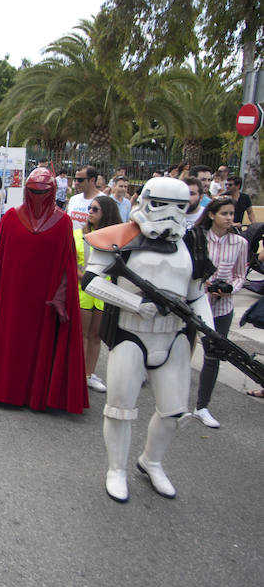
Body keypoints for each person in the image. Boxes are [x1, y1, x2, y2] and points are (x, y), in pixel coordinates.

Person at [82, 176, 214, 502]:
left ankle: (151, 461)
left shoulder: (191, 242)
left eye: (179, 206)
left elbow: (197, 294)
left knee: (173, 412)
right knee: (119, 409)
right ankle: (117, 469)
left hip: (174, 338)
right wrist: (136, 304)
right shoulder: (121, 237)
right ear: (146, 202)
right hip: (131, 333)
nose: (170, 213)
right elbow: (91, 282)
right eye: (161, 205)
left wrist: (209, 332)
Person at [0, 167, 88, 414]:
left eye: (42, 192)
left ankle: (34, 393)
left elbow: (67, 264)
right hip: (10, 298)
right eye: (33, 191)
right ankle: (2, 389)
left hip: (43, 301)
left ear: (53, 191)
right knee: (8, 340)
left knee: (35, 345)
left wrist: (61, 296)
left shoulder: (62, 222)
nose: (37, 196)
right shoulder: (12, 217)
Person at [192, 198, 247, 428]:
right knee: (183, 346)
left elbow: (241, 274)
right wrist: (204, 284)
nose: (228, 217)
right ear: (212, 215)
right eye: (224, 213)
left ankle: (202, 406)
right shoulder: (198, 238)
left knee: (214, 354)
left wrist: (230, 288)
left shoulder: (240, 243)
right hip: (196, 302)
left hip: (223, 307)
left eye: (231, 213)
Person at [76, 195, 121, 393]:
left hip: (104, 291)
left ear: (106, 213)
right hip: (83, 290)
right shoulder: (78, 235)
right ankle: (76, 374)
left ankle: (88, 374)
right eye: (89, 209)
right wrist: (82, 277)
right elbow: (70, 262)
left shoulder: (117, 239)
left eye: (95, 209)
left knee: (96, 335)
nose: (90, 213)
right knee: (82, 334)